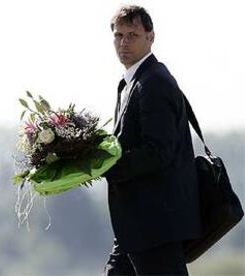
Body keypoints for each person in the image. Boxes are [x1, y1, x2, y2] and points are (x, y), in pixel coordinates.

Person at [102, 5, 201, 275]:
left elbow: (157, 153)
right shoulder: (132, 82)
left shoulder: (154, 82)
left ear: (150, 37)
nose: (123, 42)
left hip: (156, 227)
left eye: (132, 35)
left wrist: (103, 165)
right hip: (135, 226)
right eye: (118, 35)